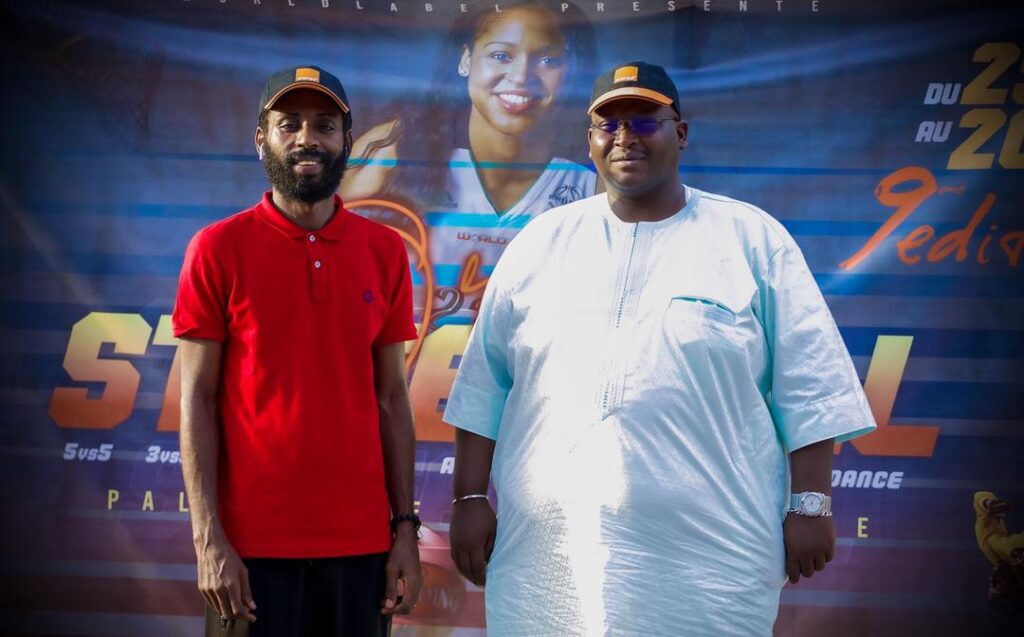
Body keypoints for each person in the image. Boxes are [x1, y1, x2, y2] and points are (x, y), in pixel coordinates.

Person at [443, 61, 877, 635]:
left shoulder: (750, 239)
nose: (625, 137)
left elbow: (811, 384)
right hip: (546, 562)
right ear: (590, 140)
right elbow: (484, 386)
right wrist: (469, 498)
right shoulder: (540, 244)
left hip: (711, 564)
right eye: (609, 124)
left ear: (681, 133)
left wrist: (811, 504)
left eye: (645, 121)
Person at [173, 65, 421, 636]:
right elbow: (196, 400)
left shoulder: (384, 251)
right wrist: (208, 539)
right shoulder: (216, 248)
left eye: (324, 125)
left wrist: (405, 529)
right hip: (249, 554)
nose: (308, 138)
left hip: (363, 550)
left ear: (347, 141)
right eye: (290, 124)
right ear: (261, 138)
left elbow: (391, 398)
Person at [340, 0, 598, 323]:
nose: (521, 76)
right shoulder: (394, 148)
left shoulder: (593, 179)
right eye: (501, 55)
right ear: (465, 60)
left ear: (571, 73)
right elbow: (328, 263)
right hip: (406, 356)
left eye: (548, 60)